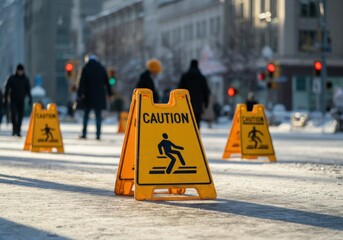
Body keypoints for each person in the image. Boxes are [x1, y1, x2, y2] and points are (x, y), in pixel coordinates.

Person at [77, 55, 112, 140]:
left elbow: (81, 83)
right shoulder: (101, 68)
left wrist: (79, 95)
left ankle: (84, 133)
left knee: (86, 115)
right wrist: (109, 93)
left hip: (88, 95)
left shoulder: (85, 68)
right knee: (98, 116)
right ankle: (98, 134)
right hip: (99, 96)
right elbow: (107, 82)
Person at [178, 59, 210, 129]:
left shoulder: (185, 77)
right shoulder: (202, 78)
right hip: (198, 104)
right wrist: (206, 103)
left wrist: (179, 103)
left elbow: (179, 90)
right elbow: (205, 91)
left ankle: (188, 137)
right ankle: (196, 138)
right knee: (196, 123)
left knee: (187, 123)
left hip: (186, 104)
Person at [4, 64, 32, 137]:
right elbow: (7, 88)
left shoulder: (25, 79)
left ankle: (18, 130)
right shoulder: (12, 78)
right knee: (13, 114)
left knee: (20, 116)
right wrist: (5, 98)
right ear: (17, 70)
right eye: (19, 71)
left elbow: (28, 90)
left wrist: (30, 99)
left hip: (21, 100)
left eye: (21, 71)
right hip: (13, 100)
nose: (20, 72)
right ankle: (14, 130)